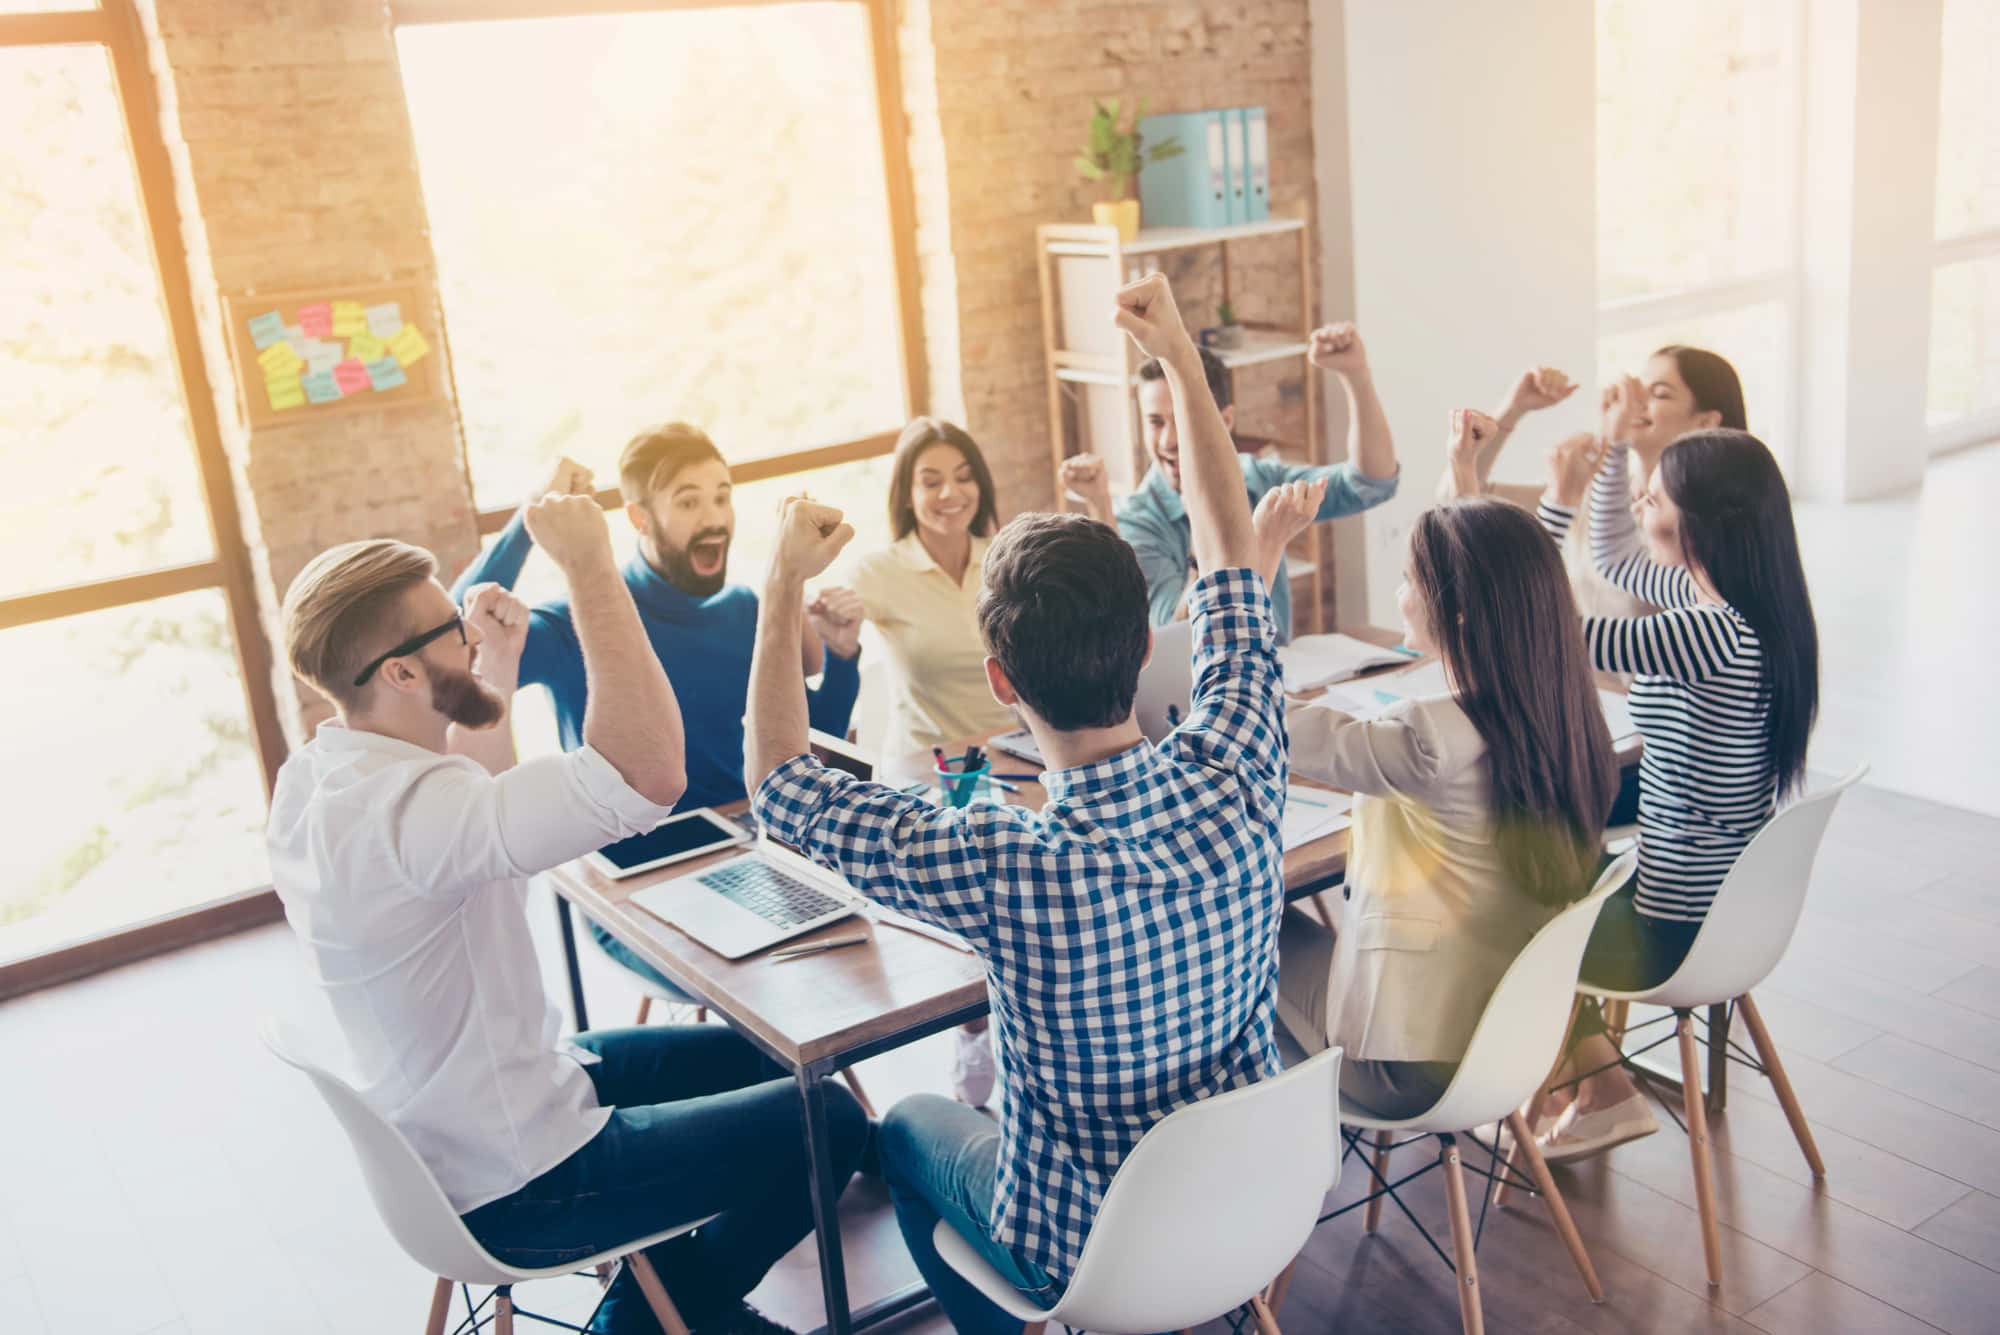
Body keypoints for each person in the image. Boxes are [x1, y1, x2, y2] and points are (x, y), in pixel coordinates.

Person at [740, 272, 1289, 1335]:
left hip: (1086, 1251)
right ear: (1142, 645)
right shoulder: (1239, 761)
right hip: (1251, 1208)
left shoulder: (1000, 859)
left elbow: (777, 783)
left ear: (1000, 679)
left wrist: (777, 586)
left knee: (904, 1126)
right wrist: (1177, 356)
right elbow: (1227, 556)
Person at [268, 495, 866, 1335]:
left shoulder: (318, 781)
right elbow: (646, 773)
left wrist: (497, 664)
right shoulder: (415, 813)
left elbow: (468, 814)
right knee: (832, 1120)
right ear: (401, 673)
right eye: (452, 628)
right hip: (527, 1179)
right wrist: (588, 566)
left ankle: (672, 1301)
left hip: (464, 1128)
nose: (469, 632)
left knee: (768, 1058)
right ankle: (646, 1319)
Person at [1270, 410, 1619, 1118]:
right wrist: (1461, 471)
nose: (1399, 592)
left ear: (1458, 613)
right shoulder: (1559, 710)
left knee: (1236, 933)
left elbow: (1270, 726)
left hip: (1412, 1066)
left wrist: (1258, 557)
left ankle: (1247, 1170)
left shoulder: (1427, 738)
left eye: (1408, 579)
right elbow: (1483, 558)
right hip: (1511, 1039)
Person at [451, 424, 864, 999]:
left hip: (750, 857)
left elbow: (815, 740)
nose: (715, 516)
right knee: (770, 990)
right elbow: (451, 636)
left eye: (722, 495)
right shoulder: (577, 619)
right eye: (689, 501)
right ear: (640, 518)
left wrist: (842, 658)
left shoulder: (746, 608)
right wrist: (529, 520)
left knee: (858, 953)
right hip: (632, 885)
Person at [1533, 425, 1818, 1161]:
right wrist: (1614, 457)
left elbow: (1544, 630)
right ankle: (1568, 1074)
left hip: (1673, 927)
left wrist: (1555, 503)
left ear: (1696, 523)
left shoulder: (1709, 633)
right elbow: (1619, 555)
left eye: (1653, 497)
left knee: (1504, 905)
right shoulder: (1750, 602)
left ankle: (1597, 1086)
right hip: (1726, 904)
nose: (1639, 502)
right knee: (1543, 835)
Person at [841, 416, 1015, 1106]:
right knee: (974, 935)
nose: (951, 492)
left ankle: (1021, 1056)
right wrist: (828, 620)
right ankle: (973, 1079)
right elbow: (826, 636)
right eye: (932, 479)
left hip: (1015, 764)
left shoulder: (1004, 554)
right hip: (926, 777)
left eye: (963, 475)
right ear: (907, 493)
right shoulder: (880, 570)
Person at [1061, 330, 1399, 641]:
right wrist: (1206, 536)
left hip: (1280, 676)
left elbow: (1371, 482)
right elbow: (1176, 639)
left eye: (1182, 422)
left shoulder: (1255, 479)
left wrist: (1357, 377)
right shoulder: (1136, 521)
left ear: (1225, 422)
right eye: (1155, 422)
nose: (1169, 440)